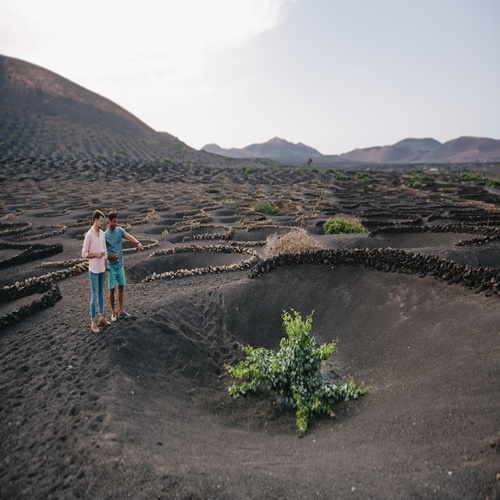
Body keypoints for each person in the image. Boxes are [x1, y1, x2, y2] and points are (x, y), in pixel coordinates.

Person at [105, 210, 144, 322]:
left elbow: (128, 236)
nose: (115, 224)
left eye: (116, 221)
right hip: (111, 266)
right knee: (112, 289)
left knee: (121, 287)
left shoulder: (119, 230)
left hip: (120, 265)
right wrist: (111, 257)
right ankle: (113, 312)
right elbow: (102, 253)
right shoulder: (105, 235)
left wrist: (137, 242)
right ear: (109, 221)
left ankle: (121, 311)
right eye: (113, 222)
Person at [82, 210, 111, 333]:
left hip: (101, 269)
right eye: (100, 221)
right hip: (93, 269)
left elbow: (104, 252)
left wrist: (106, 269)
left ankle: (101, 317)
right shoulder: (89, 235)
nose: (102, 223)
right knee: (94, 295)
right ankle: (93, 322)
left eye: (103, 221)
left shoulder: (103, 234)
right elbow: (84, 254)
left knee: (101, 294)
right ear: (95, 220)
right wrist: (96, 255)